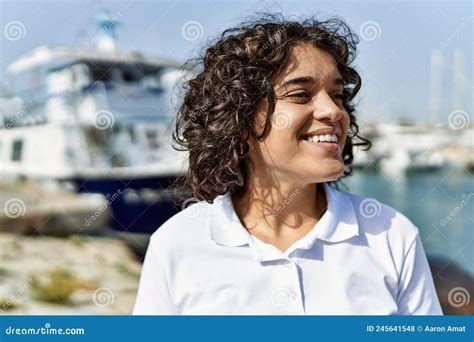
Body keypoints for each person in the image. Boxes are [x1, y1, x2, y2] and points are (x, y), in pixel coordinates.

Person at [133, 15, 442, 315]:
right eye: (301, 94)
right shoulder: (176, 244)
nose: (334, 112)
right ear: (239, 120)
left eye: (337, 95)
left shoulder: (391, 235)